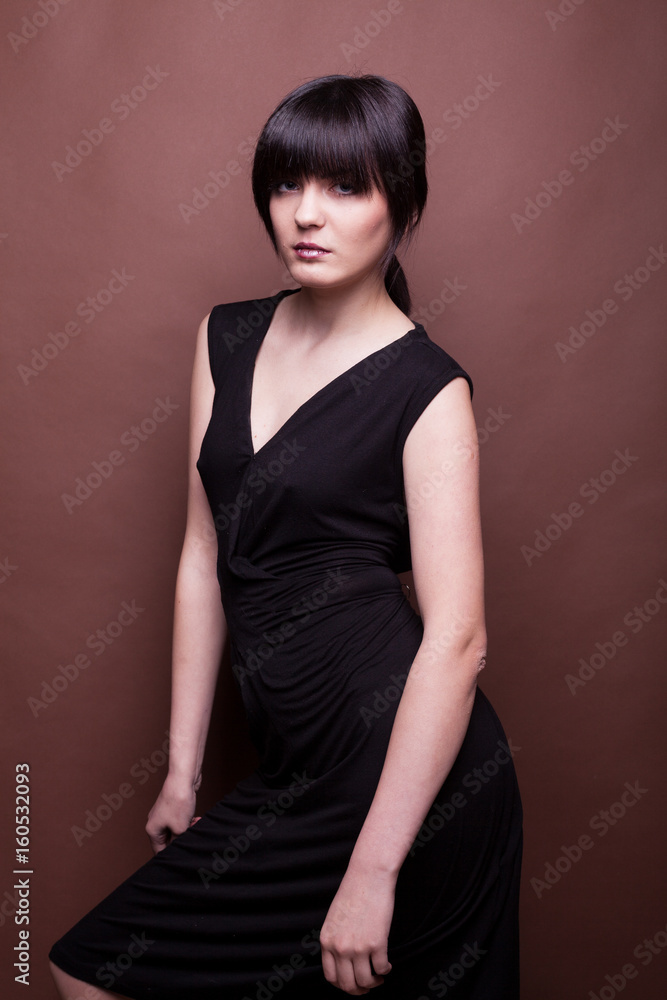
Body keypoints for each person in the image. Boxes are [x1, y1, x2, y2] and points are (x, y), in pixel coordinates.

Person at [49, 73, 522, 999]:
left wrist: (375, 869)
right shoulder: (225, 338)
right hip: (298, 765)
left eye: (346, 187)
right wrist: (184, 770)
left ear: (404, 200)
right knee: (93, 970)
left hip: (402, 780)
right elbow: (202, 554)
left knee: (87, 976)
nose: (306, 213)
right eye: (285, 184)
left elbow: (458, 641)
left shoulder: (429, 389)